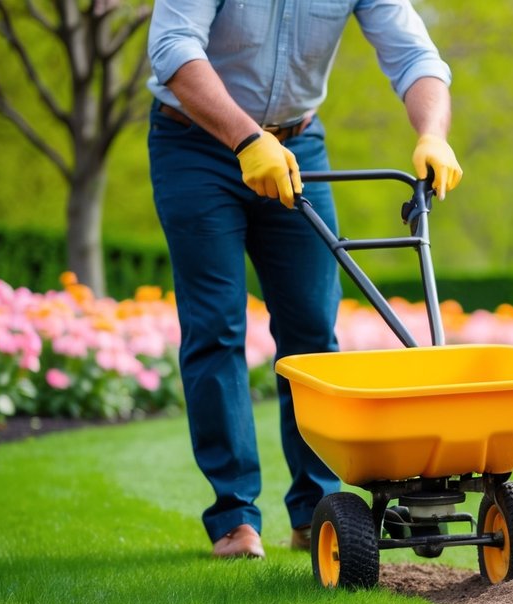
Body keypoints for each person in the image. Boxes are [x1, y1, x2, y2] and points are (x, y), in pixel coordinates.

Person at [146, 0, 463, 560]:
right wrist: (246, 140)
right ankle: (234, 518)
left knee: (314, 331)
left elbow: (415, 56)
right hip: (194, 144)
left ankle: (316, 511)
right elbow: (173, 48)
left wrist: (432, 134)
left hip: (298, 143)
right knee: (216, 325)